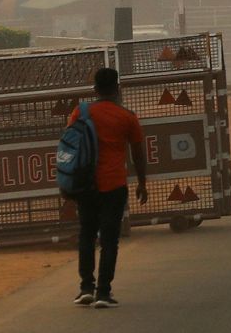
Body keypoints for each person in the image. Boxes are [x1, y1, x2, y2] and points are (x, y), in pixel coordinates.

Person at [68, 67, 148, 309]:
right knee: (110, 239)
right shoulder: (127, 117)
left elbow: (70, 146)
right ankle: (103, 291)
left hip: (86, 185)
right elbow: (137, 154)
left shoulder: (80, 113)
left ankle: (85, 288)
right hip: (114, 184)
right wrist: (142, 183)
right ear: (117, 88)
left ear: (95, 88)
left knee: (87, 234)